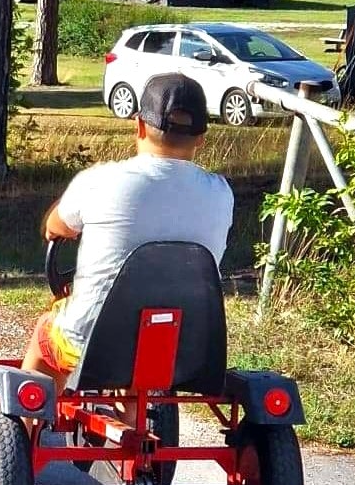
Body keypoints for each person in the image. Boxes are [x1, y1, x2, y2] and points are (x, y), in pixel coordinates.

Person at [22, 73, 233, 396]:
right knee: (148, 336)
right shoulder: (221, 192)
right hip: (184, 350)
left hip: (95, 345)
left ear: (140, 125)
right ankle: (134, 415)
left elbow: (55, 227)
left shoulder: (101, 181)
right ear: (201, 137)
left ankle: (25, 427)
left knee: (44, 334)